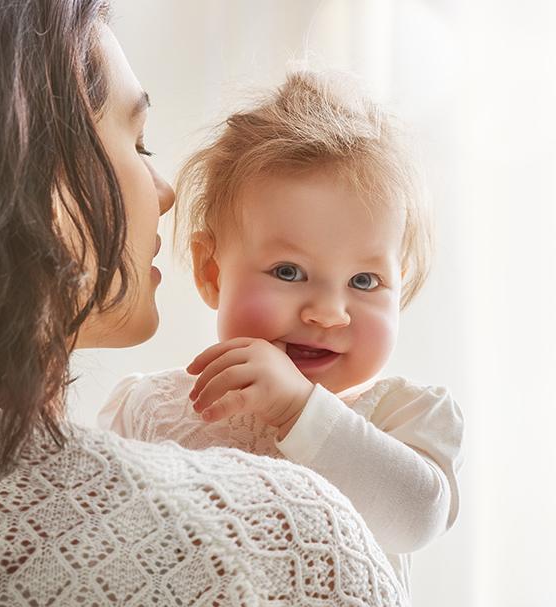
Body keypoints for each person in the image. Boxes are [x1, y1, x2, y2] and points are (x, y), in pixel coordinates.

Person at [0, 2, 406, 605]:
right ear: (30, 177)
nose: (164, 193)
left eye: (365, 280)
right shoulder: (284, 542)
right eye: (139, 143)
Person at [98, 71, 465, 598]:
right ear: (211, 272)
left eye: (364, 281)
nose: (328, 312)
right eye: (289, 272)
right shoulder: (150, 408)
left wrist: (299, 410)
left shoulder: (402, 415)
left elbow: (417, 518)